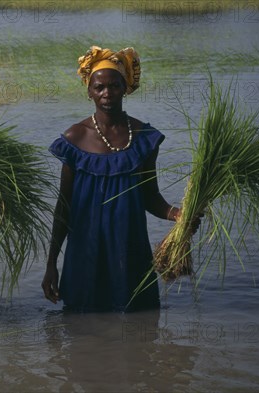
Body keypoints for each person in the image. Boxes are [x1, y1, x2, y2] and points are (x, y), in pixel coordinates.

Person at [42, 46, 198, 312]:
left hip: (129, 248)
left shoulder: (144, 138)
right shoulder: (73, 139)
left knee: (139, 318)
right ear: (89, 90)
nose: (106, 94)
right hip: (85, 251)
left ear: (125, 87)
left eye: (114, 86)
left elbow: (150, 197)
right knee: (82, 322)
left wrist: (178, 214)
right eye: (99, 87)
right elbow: (63, 208)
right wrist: (51, 265)